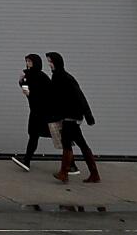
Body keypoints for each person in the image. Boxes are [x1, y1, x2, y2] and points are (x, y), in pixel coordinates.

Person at [45, 52, 100, 183]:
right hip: (69, 116)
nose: (49, 64)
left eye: (50, 61)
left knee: (67, 143)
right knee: (81, 143)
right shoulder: (57, 77)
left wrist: (88, 115)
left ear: (57, 62)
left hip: (71, 116)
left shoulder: (64, 77)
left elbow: (79, 96)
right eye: (48, 61)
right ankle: (94, 174)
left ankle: (64, 173)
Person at [12, 53, 52, 172]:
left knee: (57, 136)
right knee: (33, 135)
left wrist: (31, 93)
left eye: (30, 61)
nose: (27, 64)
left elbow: (47, 95)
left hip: (43, 112)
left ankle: (71, 163)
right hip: (35, 110)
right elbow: (26, 88)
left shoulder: (42, 77)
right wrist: (21, 81)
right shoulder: (27, 74)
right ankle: (26, 161)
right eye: (27, 61)